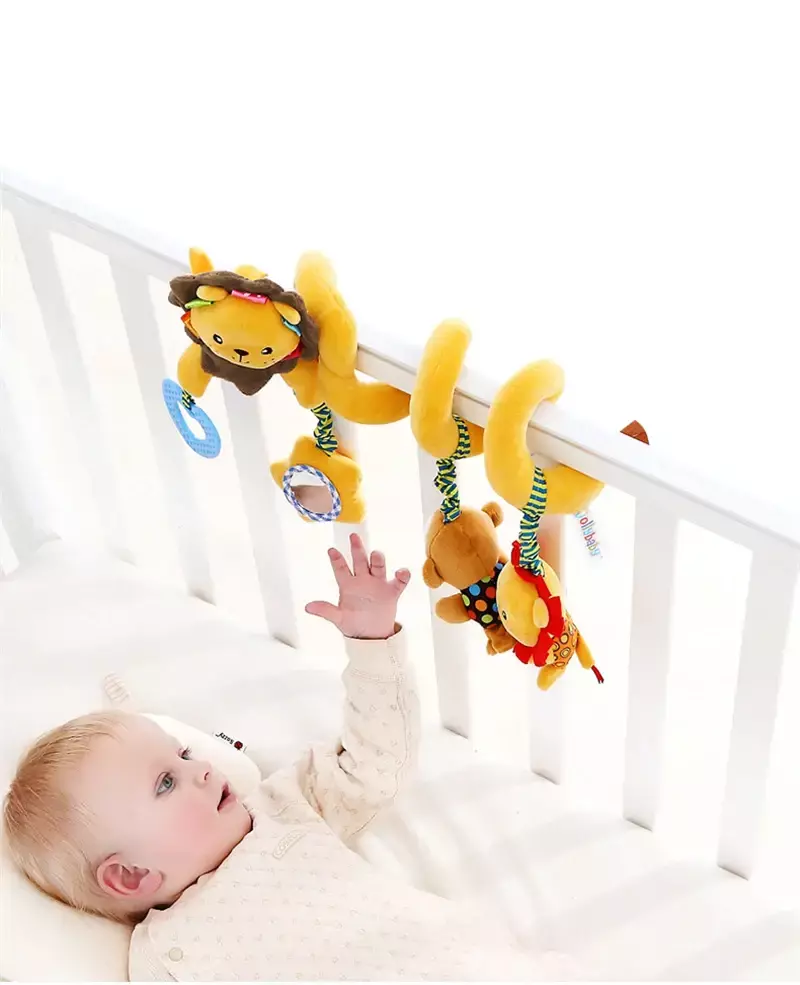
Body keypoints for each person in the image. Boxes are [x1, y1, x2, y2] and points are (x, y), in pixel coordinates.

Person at [4, 535, 576, 981]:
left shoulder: (282, 805)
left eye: (183, 754)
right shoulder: (163, 956)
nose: (200, 768)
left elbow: (376, 762)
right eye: (166, 783)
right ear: (129, 875)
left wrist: (372, 646)